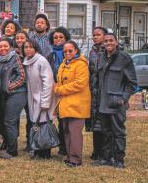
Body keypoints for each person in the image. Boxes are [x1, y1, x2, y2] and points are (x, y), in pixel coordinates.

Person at [95, 33, 138, 169]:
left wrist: (123, 99)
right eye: (106, 41)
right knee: (106, 132)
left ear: (116, 42)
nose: (108, 43)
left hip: (116, 103)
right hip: (103, 102)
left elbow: (132, 83)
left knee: (118, 132)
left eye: (111, 40)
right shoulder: (101, 57)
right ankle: (107, 158)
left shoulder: (124, 58)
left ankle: (119, 159)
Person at [54, 40, 91, 167]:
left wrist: (59, 90)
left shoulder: (81, 64)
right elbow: (59, 82)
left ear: (76, 50)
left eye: (70, 50)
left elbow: (80, 83)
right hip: (65, 104)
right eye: (65, 51)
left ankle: (76, 160)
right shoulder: (63, 64)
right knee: (67, 132)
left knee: (75, 133)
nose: (67, 53)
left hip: (77, 104)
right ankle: (70, 157)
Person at [23, 38, 56, 160]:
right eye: (26, 47)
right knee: (35, 124)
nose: (28, 49)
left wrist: (46, 101)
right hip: (33, 99)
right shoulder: (26, 61)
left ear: (36, 48)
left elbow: (48, 82)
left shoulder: (42, 61)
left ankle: (45, 152)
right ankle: (37, 150)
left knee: (44, 125)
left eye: (30, 47)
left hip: (43, 98)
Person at [0, 38, 27, 159]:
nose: (3, 48)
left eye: (5, 46)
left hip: (18, 93)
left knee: (10, 121)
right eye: (0, 46)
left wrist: (9, 87)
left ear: (11, 47)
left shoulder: (15, 57)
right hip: (6, 95)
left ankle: (12, 151)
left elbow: (22, 76)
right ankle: (8, 145)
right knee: (7, 121)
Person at [46, 26, 71, 155]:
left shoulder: (71, 53)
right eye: (55, 37)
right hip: (54, 90)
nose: (58, 40)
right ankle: (61, 146)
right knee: (57, 119)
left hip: (67, 91)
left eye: (61, 37)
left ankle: (67, 147)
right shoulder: (50, 55)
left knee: (66, 121)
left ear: (66, 38)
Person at [87, 26, 108, 161]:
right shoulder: (92, 52)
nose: (95, 37)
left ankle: (105, 151)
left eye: (98, 35)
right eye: (94, 35)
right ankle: (96, 150)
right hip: (93, 91)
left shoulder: (109, 50)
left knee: (104, 121)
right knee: (95, 123)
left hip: (105, 90)